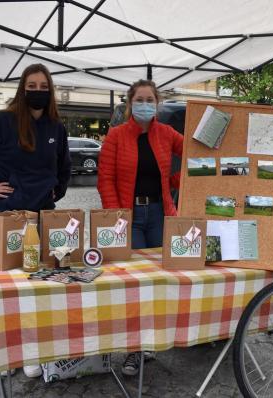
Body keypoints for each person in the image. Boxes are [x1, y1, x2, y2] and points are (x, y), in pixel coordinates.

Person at [0, 63, 71, 378]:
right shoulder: (2, 122)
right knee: (8, 287)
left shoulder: (56, 127)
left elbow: (64, 166)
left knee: (40, 285)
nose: (37, 91)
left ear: (50, 90)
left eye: (42, 85)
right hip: (9, 217)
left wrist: (55, 191)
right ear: (22, 88)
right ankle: (8, 353)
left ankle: (35, 351)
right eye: (30, 86)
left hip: (44, 217)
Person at [97, 79, 183, 376]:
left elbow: (195, 156)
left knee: (160, 280)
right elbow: (105, 179)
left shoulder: (167, 134)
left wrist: (177, 182)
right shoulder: (116, 136)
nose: (146, 104)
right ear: (131, 102)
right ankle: (134, 350)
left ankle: (152, 342)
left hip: (160, 214)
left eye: (150, 99)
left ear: (157, 103)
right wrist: (116, 216)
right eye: (140, 99)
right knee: (133, 284)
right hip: (129, 217)